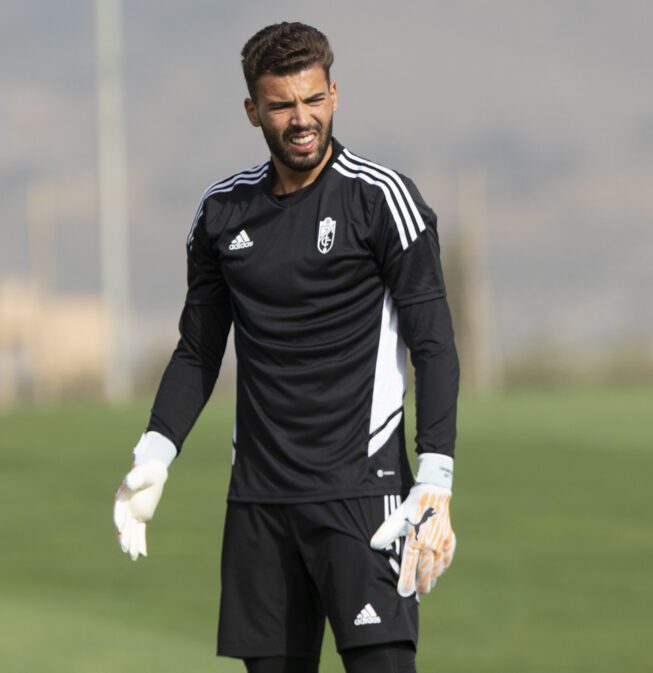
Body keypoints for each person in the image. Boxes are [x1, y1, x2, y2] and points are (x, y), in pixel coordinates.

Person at [113, 22, 459, 673]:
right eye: (281, 105)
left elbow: (434, 342)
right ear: (253, 111)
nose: (302, 119)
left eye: (314, 99)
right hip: (260, 506)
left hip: (365, 497)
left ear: (334, 92)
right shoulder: (221, 214)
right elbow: (197, 350)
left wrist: (436, 477)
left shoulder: (382, 199)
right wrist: (153, 454)